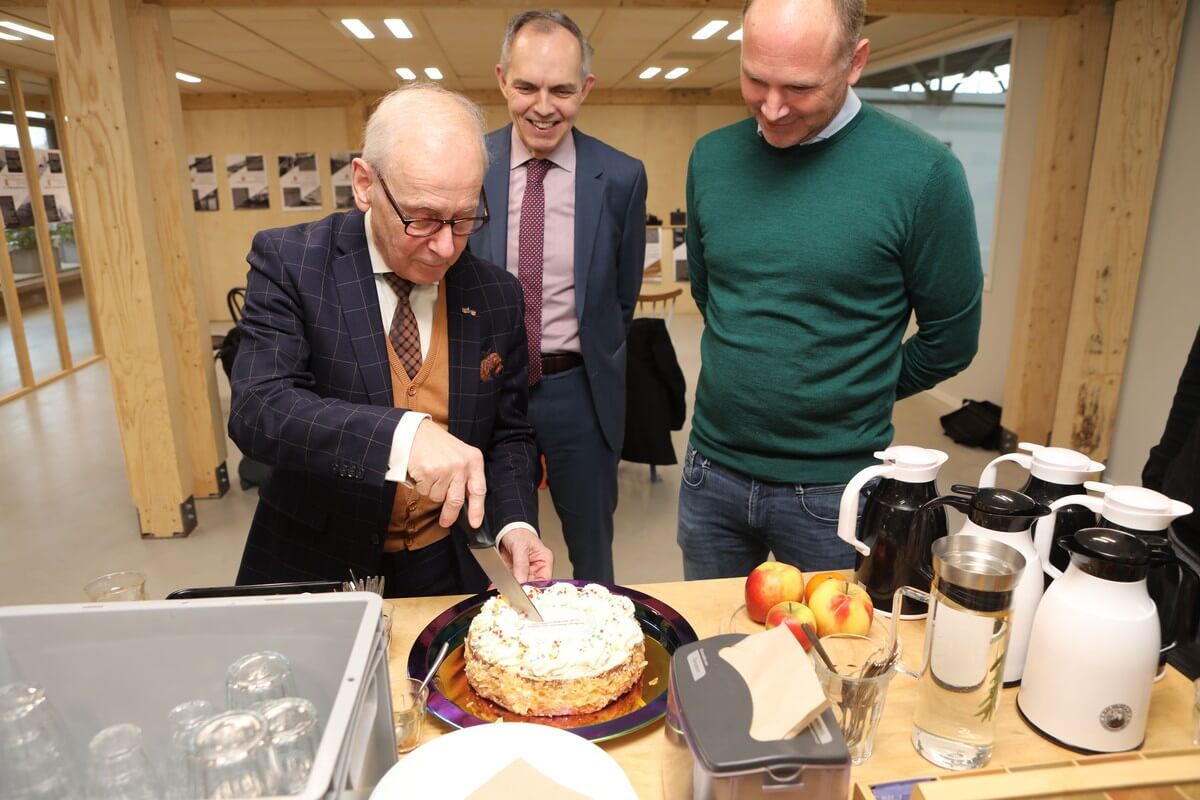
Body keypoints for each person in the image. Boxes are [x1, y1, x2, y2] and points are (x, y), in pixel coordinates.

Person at [678, 0, 984, 578]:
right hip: (709, 473)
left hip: (835, 490)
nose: (771, 107)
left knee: (829, 660)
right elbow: (711, 294)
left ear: (855, 62)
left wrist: (856, 387)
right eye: (754, 78)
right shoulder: (712, 158)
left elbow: (951, 339)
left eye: (798, 87)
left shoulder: (923, 175)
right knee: (711, 657)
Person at [229, 84, 553, 597]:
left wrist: (515, 526)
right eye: (422, 218)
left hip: (449, 562)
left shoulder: (497, 294)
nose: (446, 246)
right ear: (364, 184)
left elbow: (508, 436)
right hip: (316, 562)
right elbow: (258, 408)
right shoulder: (291, 262)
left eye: (465, 218)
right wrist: (401, 438)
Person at [469, 10, 648, 584]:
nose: (543, 106)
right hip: (487, 389)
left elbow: (621, 299)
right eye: (526, 87)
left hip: (579, 394)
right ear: (502, 79)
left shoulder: (621, 177)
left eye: (561, 90)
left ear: (585, 89)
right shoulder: (470, 166)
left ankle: (599, 655)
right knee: (490, 550)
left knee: (592, 553)